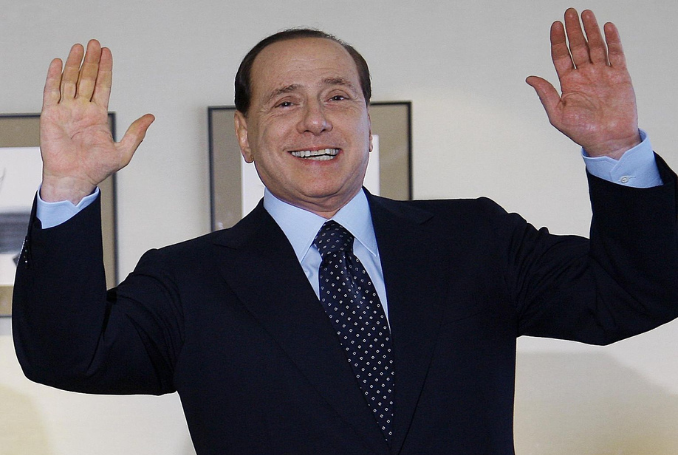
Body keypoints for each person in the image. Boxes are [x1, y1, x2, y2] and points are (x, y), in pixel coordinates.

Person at [12, 8, 678, 455]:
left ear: (366, 120)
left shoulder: (475, 238)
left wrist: (615, 148)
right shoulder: (186, 281)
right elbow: (66, 355)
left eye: (337, 97)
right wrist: (67, 187)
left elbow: (638, 291)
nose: (315, 120)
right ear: (243, 135)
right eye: (285, 102)